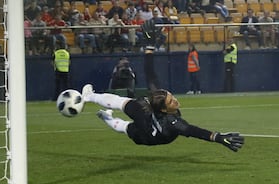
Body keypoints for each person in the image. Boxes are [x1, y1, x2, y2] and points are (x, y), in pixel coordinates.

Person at [79, 46, 244, 151]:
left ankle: (105, 116)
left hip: (150, 136)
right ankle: (89, 97)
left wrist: (149, 49)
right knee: (124, 104)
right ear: (164, 109)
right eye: (172, 101)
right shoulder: (168, 118)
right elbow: (193, 131)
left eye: (172, 97)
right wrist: (218, 137)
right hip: (149, 127)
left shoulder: (165, 112)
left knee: (125, 126)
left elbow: (150, 72)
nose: (176, 101)